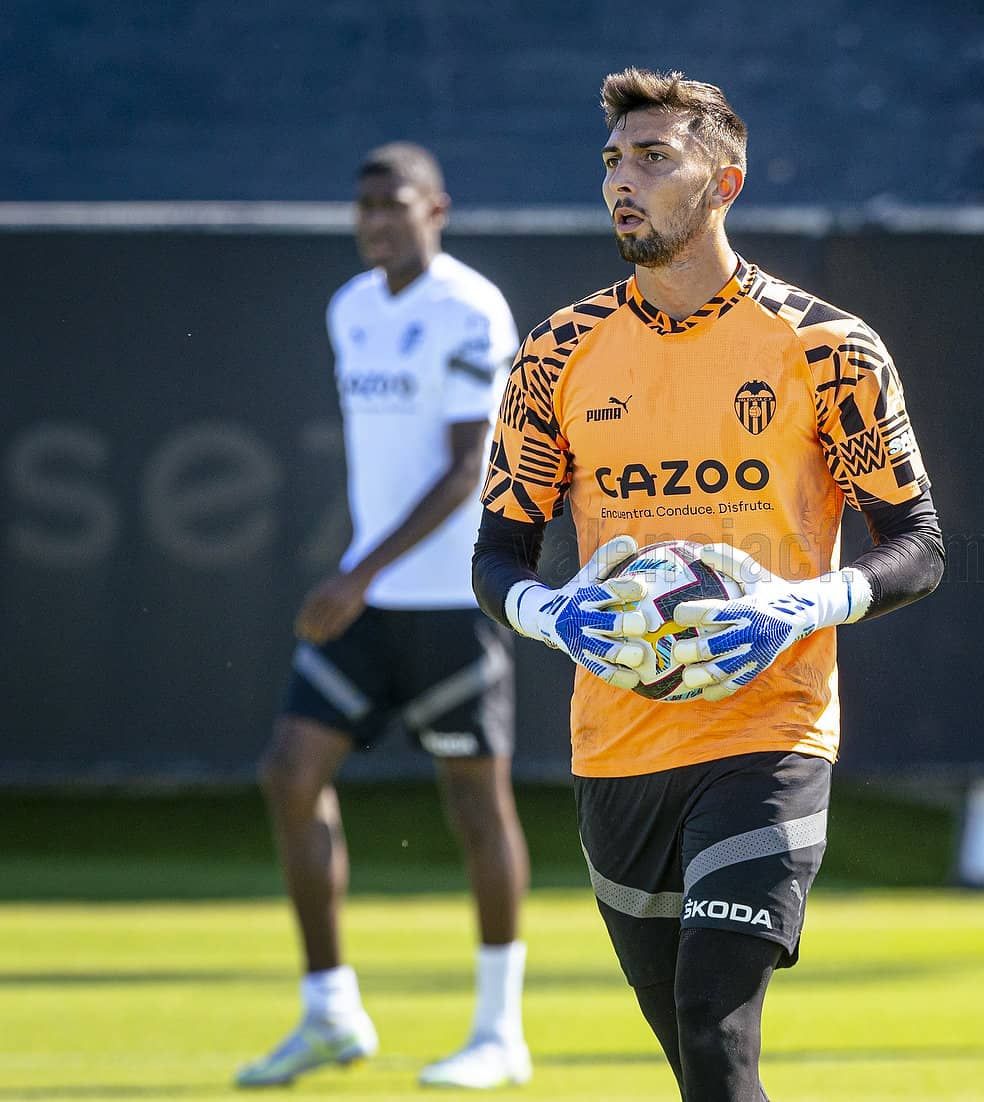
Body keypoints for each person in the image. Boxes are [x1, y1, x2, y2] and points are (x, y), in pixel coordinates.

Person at [472, 69, 945, 1100]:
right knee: (703, 1068)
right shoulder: (555, 355)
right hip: (617, 745)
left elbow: (917, 544)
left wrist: (801, 604)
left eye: (653, 158)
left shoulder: (827, 347)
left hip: (771, 731)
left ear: (724, 181)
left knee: (713, 1014)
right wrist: (551, 615)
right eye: (611, 161)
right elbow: (496, 556)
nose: (621, 183)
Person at [236, 143, 532, 1090]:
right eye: (361, 206)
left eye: (391, 204)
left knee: (475, 810)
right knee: (289, 772)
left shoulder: (469, 307)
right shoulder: (350, 309)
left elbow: (463, 473)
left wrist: (355, 573)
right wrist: (364, 579)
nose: (372, 221)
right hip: (373, 601)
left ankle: (499, 1033)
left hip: (451, 602)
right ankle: (329, 1011)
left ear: (435, 208)